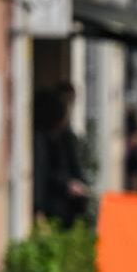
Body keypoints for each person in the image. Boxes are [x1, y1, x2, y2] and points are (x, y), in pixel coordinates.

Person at [32, 87, 89, 227]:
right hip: (55, 205)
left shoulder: (63, 136)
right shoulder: (44, 139)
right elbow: (43, 170)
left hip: (63, 204)